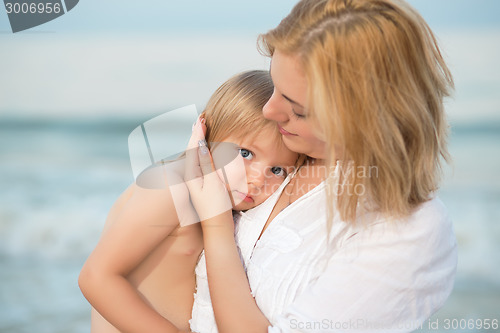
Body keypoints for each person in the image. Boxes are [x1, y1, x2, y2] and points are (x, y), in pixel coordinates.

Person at [186, 0, 458, 332]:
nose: (269, 112)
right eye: (275, 87)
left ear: (366, 120)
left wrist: (215, 226)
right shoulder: (281, 154)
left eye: (297, 109)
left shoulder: (407, 229)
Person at [78, 70, 299, 333]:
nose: (258, 179)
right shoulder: (172, 186)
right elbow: (96, 278)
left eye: (277, 170)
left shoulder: (223, 202)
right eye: (245, 153)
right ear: (207, 132)